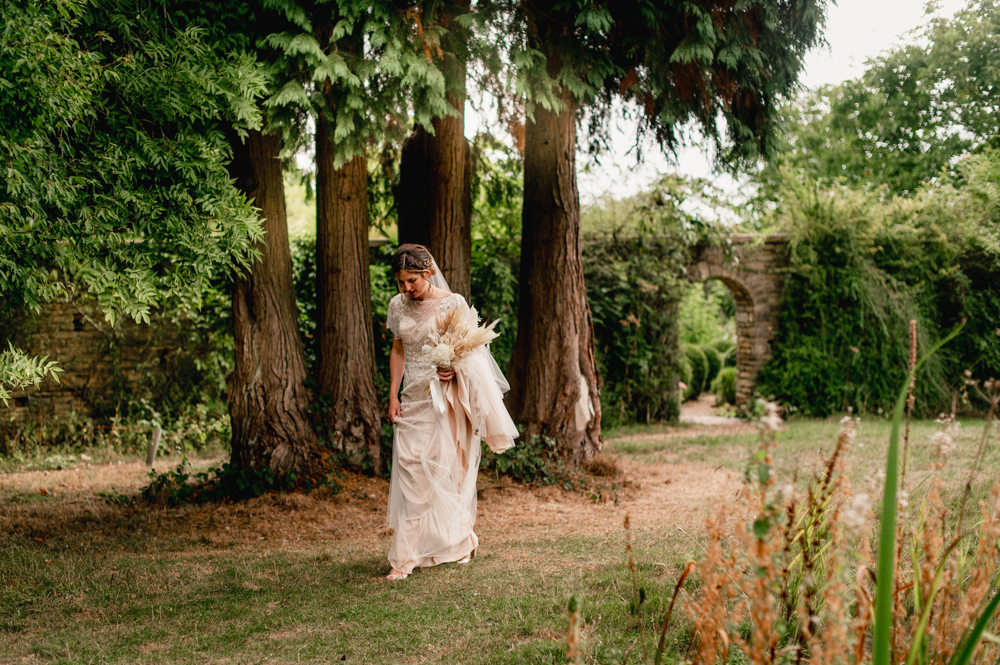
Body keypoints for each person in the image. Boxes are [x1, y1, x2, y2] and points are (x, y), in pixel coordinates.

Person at [384, 244, 518, 580]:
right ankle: (444, 543)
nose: (406, 288)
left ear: (428, 273)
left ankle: (405, 559)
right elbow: (398, 350)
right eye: (401, 282)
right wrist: (393, 394)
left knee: (443, 471)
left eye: (412, 281)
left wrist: (452, 368)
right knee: (411, 469)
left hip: (443, 398)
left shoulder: (452, 303)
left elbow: (471, 354)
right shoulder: (397, 305)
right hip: (410, 397)